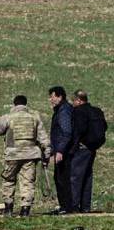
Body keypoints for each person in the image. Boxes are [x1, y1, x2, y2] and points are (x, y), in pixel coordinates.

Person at [0, 95, 51, 217]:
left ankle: (8, 208)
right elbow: (43, 138)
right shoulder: (34, 118)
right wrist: (47, 152)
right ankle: (25, 209)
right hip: (30, 155)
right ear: (26, 104)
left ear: (14, 104)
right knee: (27, 182)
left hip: (12, 155)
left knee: (9, 180)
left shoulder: (8, 117)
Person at [69, 90, 104, 213]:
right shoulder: (96, 111)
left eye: (73, 101)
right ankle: (85, 207)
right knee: (87, 177)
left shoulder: (79, 111)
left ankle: (73, 206)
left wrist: (73, 147)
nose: (72, 103)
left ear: (79, 100)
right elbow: (104, 126)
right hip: (92, 148)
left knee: (75, 177)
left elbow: (79, 130)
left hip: (82, 148)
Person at [48, 86, 73, 214]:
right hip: (61, 150)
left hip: (64, 152)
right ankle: (64, 206)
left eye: (52, 96)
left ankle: (66, 207)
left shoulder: (63, 111)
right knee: (60, 178)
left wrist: (60, 151)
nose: (50, 99)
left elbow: (66, 132)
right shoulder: (60, 110)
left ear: (59, 96)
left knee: (62, 179)